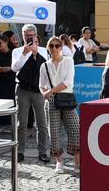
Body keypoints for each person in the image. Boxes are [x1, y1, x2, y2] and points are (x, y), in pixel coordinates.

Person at [40, 37, 80, 172]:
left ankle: (77, 163)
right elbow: (41, 85)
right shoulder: (45, 65)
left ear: (61, 47)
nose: (54, 48)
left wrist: (50, 91)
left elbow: (68, 82)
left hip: (66, 98)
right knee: (54, 132)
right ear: (48, 48)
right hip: (51, 101)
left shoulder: (69, 61)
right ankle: (59, 162)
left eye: (57, 46)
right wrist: (44, 93)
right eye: (52, 46)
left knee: (75, 129)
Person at [12, 24, 49, 164]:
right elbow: (15, 68)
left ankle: (43, 152)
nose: (29, 37)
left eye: (32, 35)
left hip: (38, 89)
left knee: (42, 123)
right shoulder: (17, 51)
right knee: (22, 123)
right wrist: (25, 53)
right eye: (27, 35)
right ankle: (20, 151)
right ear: (23, 36)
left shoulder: (43, 51)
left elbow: (45, 68)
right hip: (22, 89)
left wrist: (35, 54)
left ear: (35, 35)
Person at [0, 32, 16, 111]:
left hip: (10, 82)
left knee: (10, 101)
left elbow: (17, 66)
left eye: (0, 43)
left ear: (6, 42)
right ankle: (0, 120)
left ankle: (9, 120)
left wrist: (10, 68)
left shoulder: (13, 53)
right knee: (0, 101)